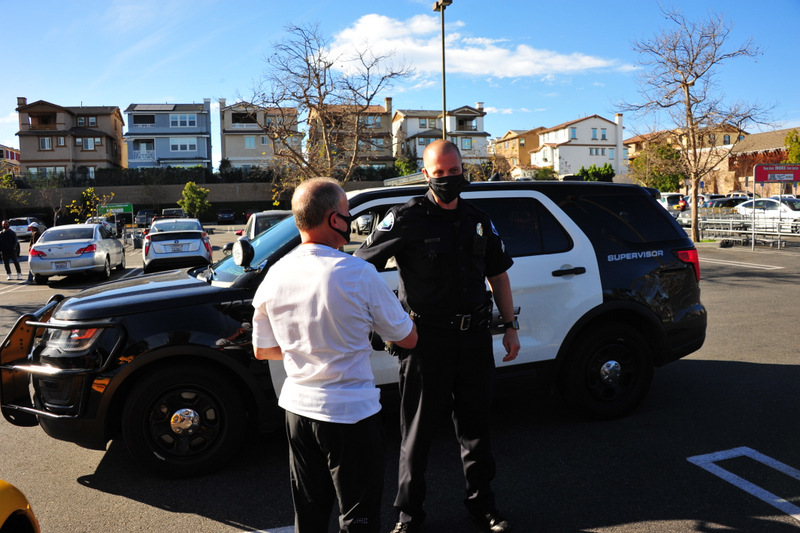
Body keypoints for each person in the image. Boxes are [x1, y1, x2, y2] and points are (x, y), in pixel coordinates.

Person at [354, 140, 521, 533]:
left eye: (454, 171)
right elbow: (360, 268)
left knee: (476, 429)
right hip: (424, 343)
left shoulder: (478, 219)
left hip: (474, 338)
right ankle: (409, 516)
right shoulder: (407, 218)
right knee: (417, 434)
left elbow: (498, 275)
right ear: (425, 173)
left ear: (464, 169)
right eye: (439, 173)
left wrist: (510, 326)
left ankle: (483, 507)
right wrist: (385, 319)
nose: (448, 178)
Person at [252, 177, 418, 533]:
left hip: (297, 410)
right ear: (333, 219)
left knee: (310, 514)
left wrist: (304, 349)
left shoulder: (274, 275)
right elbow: (407, 338)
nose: (350, 223)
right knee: (357, 517)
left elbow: (262, 348)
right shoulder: (358, 273)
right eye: (346, 215)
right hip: (351, 413)